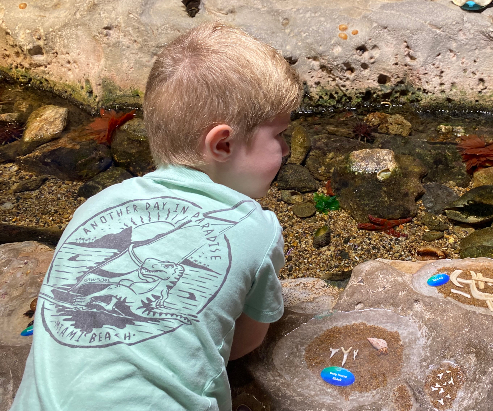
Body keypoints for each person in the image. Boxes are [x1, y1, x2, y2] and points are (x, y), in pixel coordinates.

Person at [11, 21, 302, 410]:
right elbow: (243, 343)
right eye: (279, 134)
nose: (285, 149)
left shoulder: (97, 205)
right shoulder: (256, 226)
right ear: (223, 143)